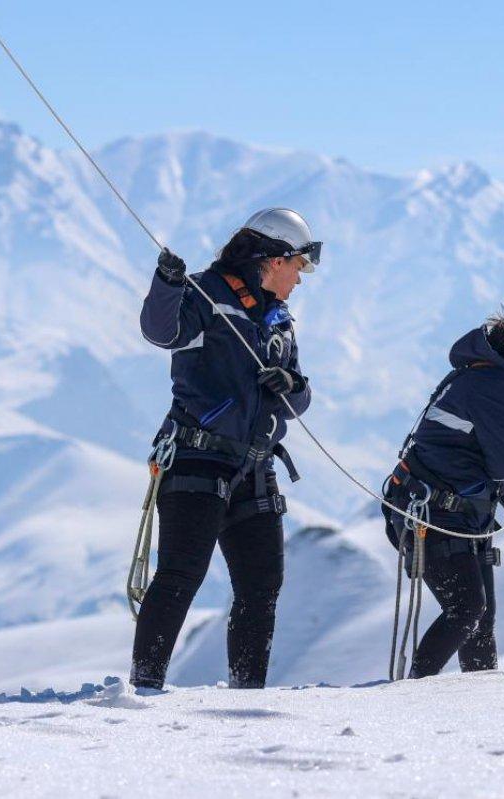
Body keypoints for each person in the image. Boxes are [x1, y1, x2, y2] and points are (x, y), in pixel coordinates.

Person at [131, 208, 320, 691]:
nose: (300, 278)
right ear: (273, 259)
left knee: (261, 588)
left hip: (255, 467)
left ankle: (246, 692)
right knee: (180, 575)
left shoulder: (279, 320)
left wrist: (290, 384)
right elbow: (161, 332)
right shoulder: (205, 294)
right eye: (298, 265)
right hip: (198, 458)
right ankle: (145, 687)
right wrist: (167, 284)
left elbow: (301, 399)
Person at [382, 310, 504, 678]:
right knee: (467, 610)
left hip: (455, 512)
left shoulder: (496, 378)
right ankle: (410, 695)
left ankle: (481, 702)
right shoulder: (495, 386)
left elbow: (500, 470)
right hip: (434, 513)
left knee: (479, 616)